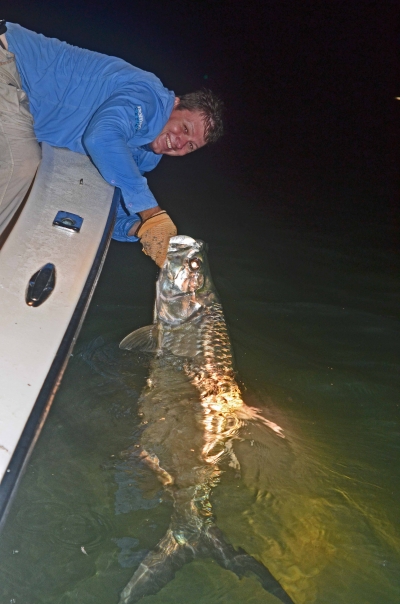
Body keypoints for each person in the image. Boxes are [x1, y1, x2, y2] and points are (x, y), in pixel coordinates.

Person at [0, 21, 223, 265]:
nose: (179, 143)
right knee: (21, 166)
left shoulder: (143, 156)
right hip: (10, 61)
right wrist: (152, 213)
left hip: (19, 100)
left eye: (190, 146)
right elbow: (102, 137)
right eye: (185, 129)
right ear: (177, 104)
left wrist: (141, 228)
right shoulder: (150, 99)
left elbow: (108, 200)